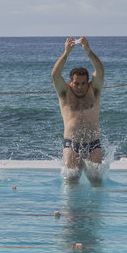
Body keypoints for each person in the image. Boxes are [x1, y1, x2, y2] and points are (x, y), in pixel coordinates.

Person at [51, 37, 105, 184]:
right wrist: (66, 53)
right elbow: (55, 75)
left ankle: (94, 207)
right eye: (76, 83)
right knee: (71, 181)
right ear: (70, 82)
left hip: (93, 144)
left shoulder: (93, 91)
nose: (80, 86)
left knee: (96, 181)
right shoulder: (64, 93)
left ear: (87, 82)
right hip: (71, 144)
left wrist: (87, 51)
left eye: (83, 83)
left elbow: (100, 71)